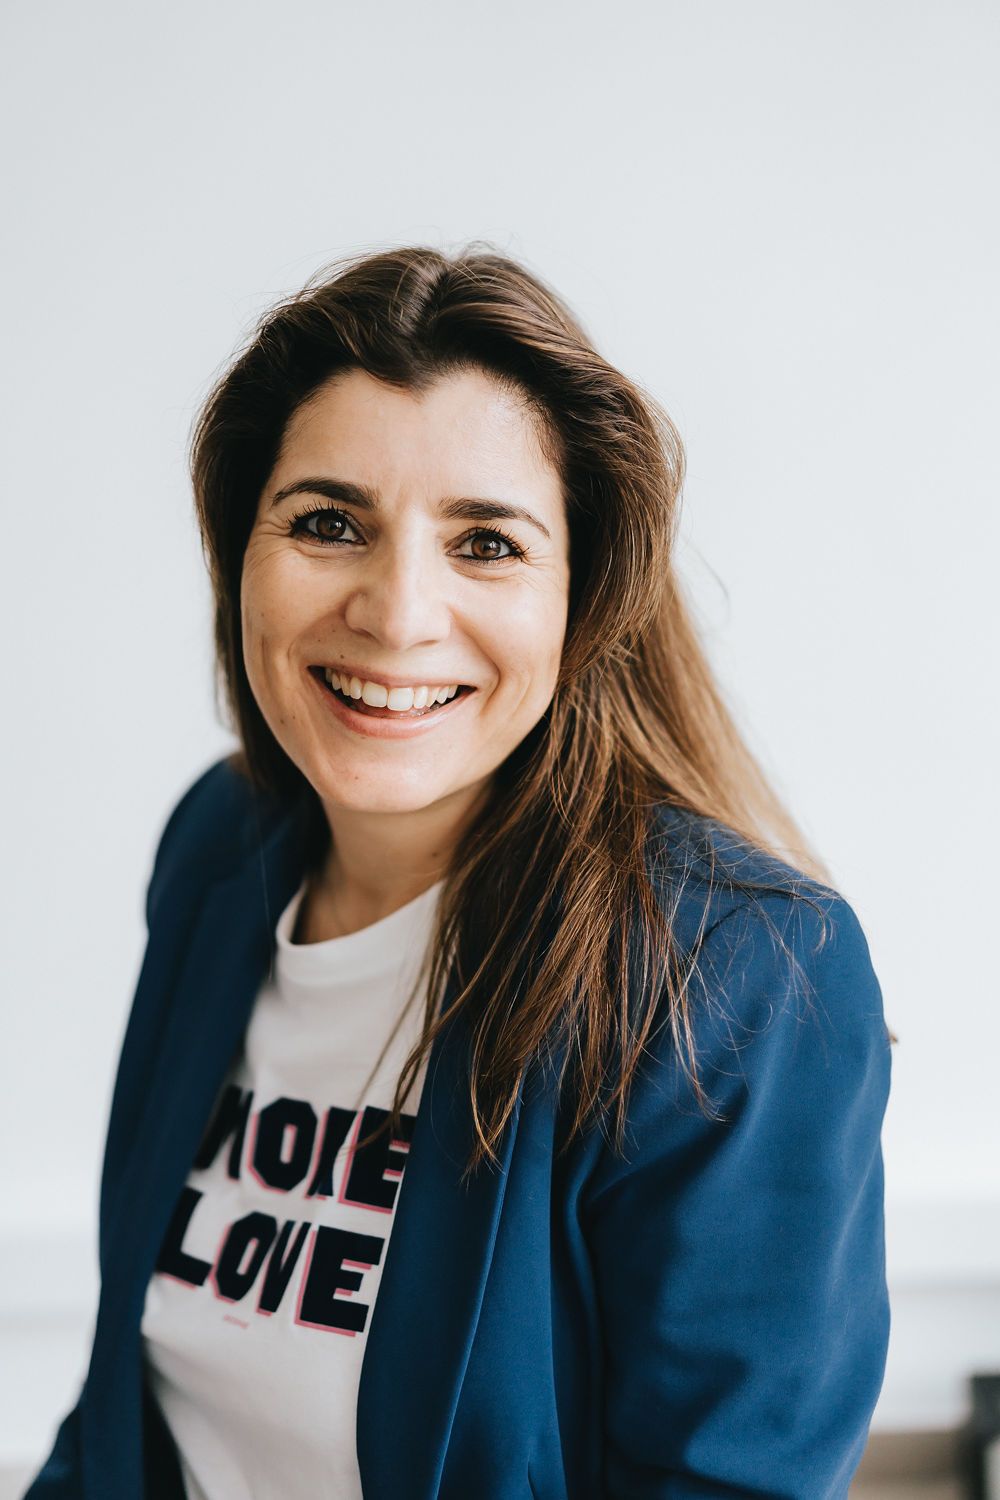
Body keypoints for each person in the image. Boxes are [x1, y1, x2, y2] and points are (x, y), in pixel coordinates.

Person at [23, 244, 893, 1500]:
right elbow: (127, 1417)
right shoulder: (222, 845)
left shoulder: (736, 970)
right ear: (237, 553)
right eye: (328, 524)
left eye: (485, 544)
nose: (397, 613)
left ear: (581, 598)